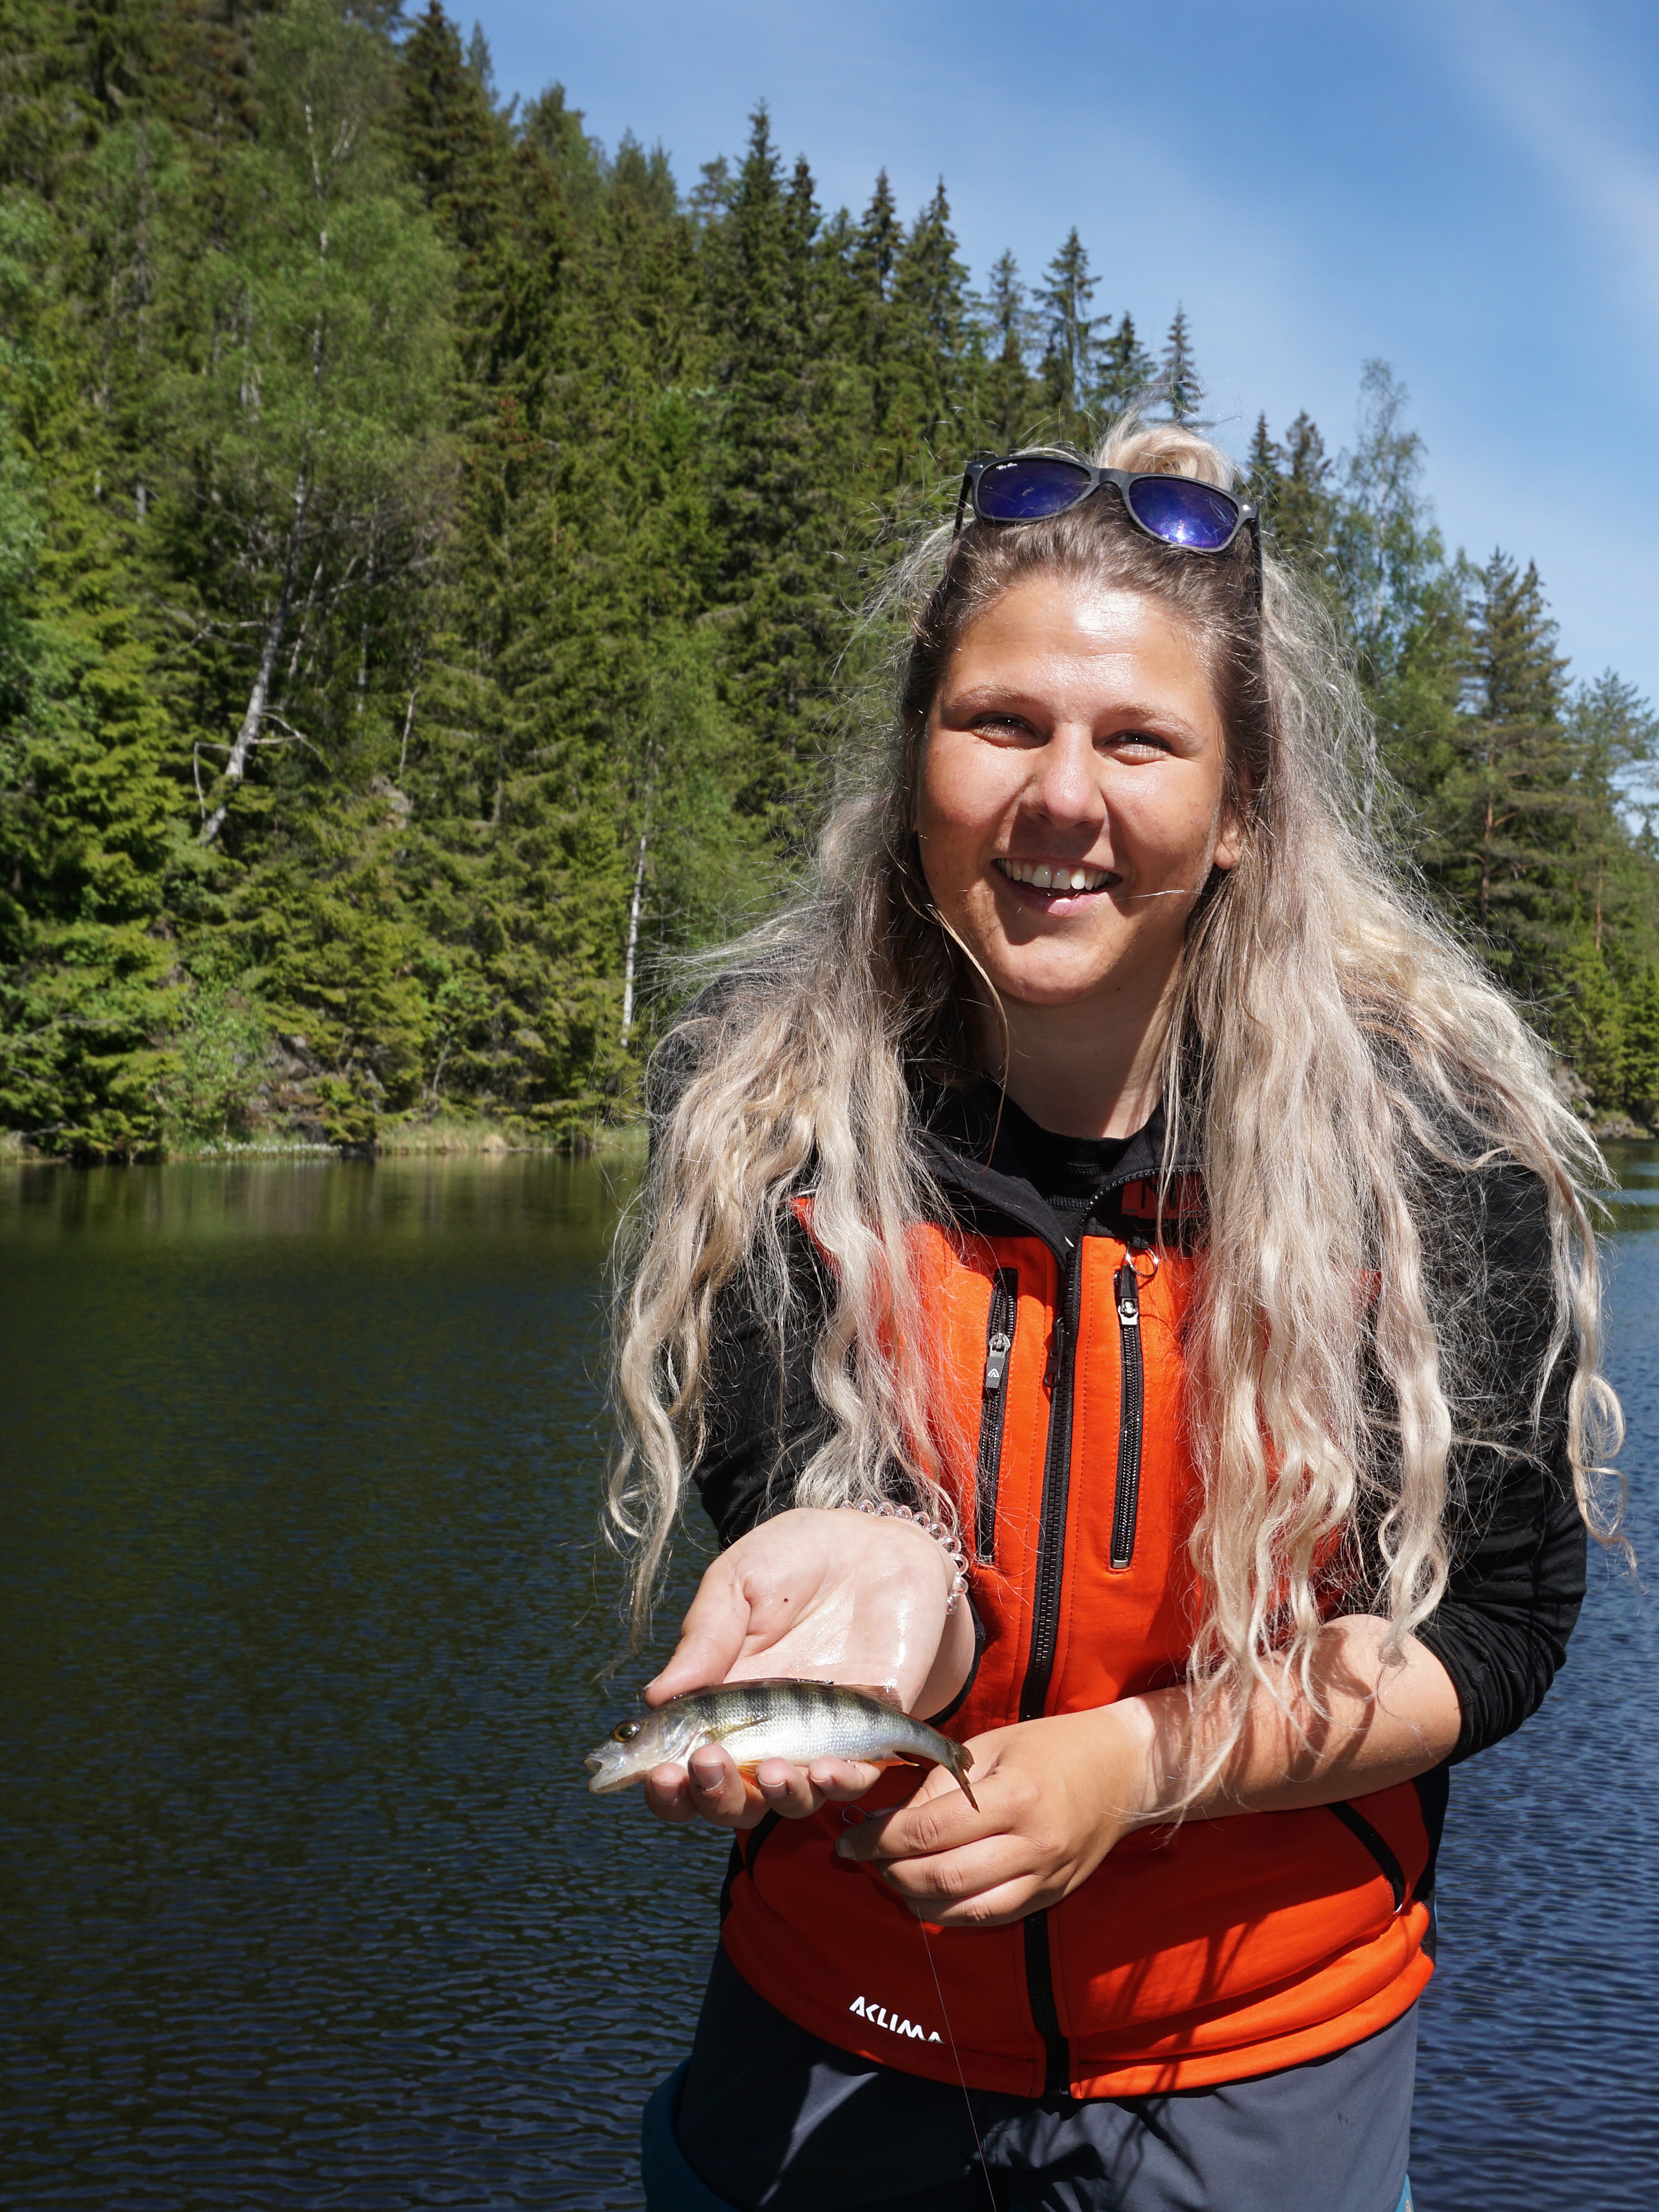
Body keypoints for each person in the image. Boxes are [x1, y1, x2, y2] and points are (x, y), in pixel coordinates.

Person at [605, 424, 1619, 2212]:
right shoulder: (768, 1110)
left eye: (1138, 739)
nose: (1060, 795)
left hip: (1260, 2062)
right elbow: (801, 1508)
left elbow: (1507, 1625)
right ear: (917, 757)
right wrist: (882, 1588)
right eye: (1000, 723)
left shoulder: (1431, 1149)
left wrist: (1133, 1763)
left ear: (1241, 812)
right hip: (829, 2013)